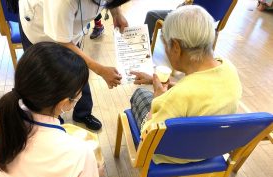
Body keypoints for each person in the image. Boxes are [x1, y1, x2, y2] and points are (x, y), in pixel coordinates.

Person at [0, 42, 102, 177]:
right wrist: (93, 176)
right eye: (77, 97)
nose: (78, 100)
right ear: (63, 104)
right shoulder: (79, 155)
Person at [130, 5, 242, 164]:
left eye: (165, 44)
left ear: (176, 47)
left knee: (140, 95)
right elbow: (202, 94)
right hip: (211, 148)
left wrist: (158, 98)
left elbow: (147, 137)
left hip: (175, 155)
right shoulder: (230, 69)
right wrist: (172, 86)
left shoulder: (174, 98)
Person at [18, 0, 130, 131]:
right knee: (48, 81)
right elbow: (63, 42)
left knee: (78, 71)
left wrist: (117, 13)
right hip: (39, 26)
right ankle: (53, 120)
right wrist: (100, 70)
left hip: (68, 30)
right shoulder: (62, 2)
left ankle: (82, 113)